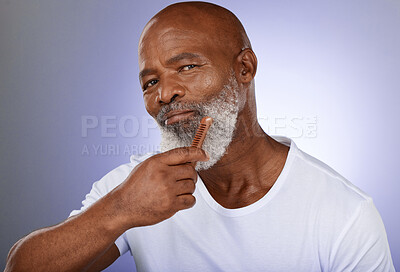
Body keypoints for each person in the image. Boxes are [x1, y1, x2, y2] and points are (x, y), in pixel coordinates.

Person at [5, 2, 394, 271]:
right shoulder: (135, 189)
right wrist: (121, 209)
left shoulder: (345, 214)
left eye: (187, 66)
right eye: (150, 81)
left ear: (244, 68)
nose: (164, 94)